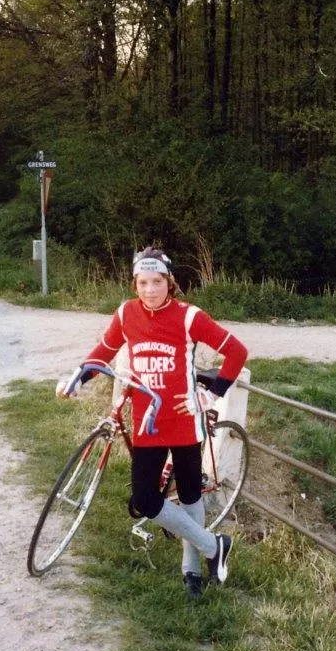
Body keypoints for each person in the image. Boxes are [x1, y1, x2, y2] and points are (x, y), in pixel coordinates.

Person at [57, 246, 248, 598]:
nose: (150, 290)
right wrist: (76, 377)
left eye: (157, 281)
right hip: (147, 422)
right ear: (135, 283)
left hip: (183, 420)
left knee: (191, 495)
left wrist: (210, 395)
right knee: (144, 499)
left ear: (169, 282)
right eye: (143, 282)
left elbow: (237, 352)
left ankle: (191, 571)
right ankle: (213, 546)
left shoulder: (189, 316)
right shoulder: (126, 313)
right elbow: (104, 351)